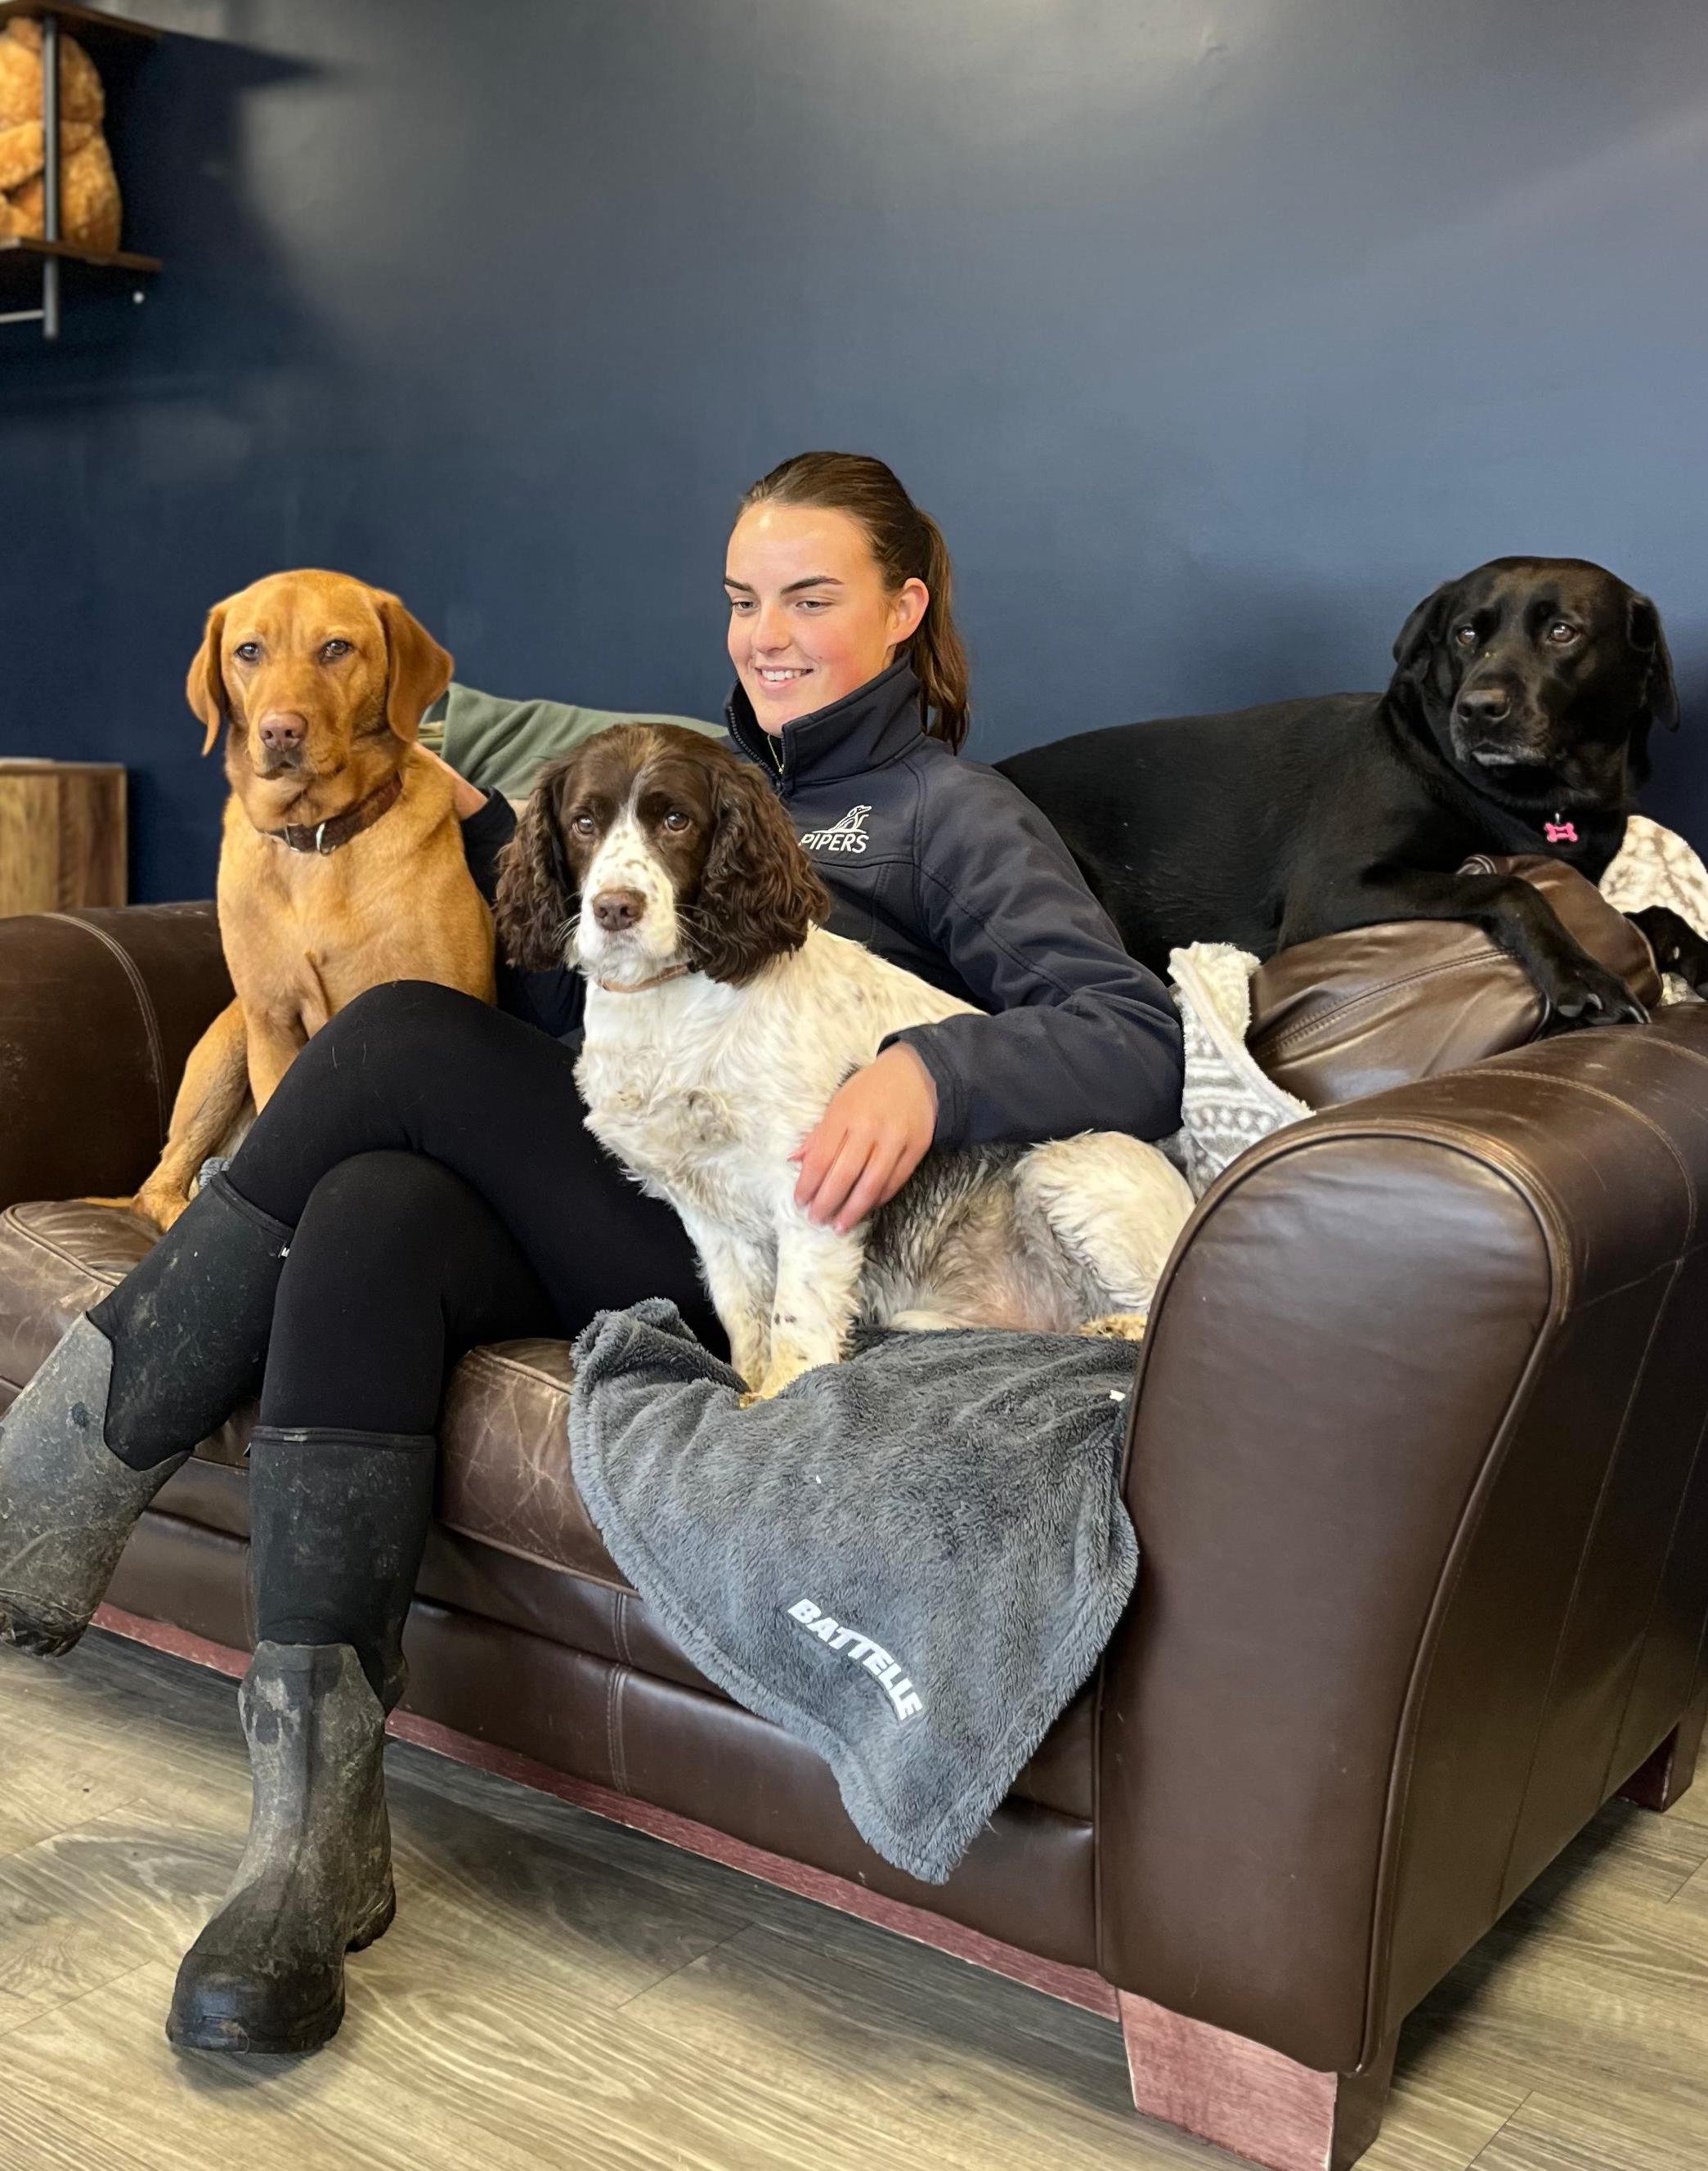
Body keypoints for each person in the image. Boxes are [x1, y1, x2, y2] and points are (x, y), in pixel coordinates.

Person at [0, 452, 1183, 2057]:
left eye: (812, 595)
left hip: (777, 1242)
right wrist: (530, 856)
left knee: (407, 1034)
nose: (767, 630)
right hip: (628, 1177)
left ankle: (52, 1477)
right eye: (743, 597)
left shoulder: (947, 813)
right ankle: (312, 1836)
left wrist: (932, 1074)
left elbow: (1128, 1034)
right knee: (373, 1214)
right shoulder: (665, 777)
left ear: (907, 610)